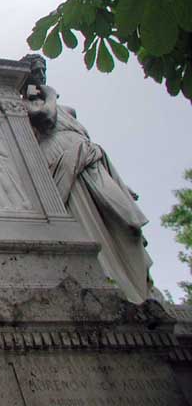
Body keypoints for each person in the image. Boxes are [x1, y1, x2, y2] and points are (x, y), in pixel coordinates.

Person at [20, 54, 152, 302]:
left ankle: (138, 289)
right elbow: (46, 119)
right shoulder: (23, 107)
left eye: (42, 70)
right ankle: (107, 280)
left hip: (91, 161)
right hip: (62, 164)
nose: (40, 76)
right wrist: (51, 94)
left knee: (126, 222)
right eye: (34, 71)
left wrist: (119, 183)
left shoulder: (68, 111)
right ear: (25, 77)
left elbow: (85, 140)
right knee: (86, 225)